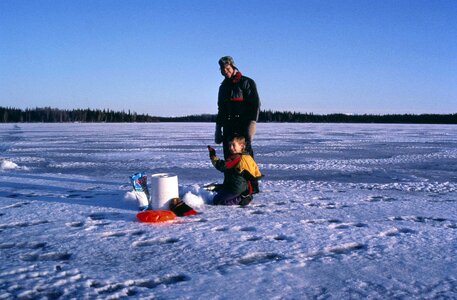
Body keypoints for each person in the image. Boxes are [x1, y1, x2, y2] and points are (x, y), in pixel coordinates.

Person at [215, 56, 261, 159]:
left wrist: (252, 124)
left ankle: (249, 175)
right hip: (228, 127)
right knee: (229, 160)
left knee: (245, 160)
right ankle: (229, 176)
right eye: (223, 70)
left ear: (233, 67)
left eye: (227, 68)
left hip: (242, 127)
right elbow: (221, 109)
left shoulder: (247, 82)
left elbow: (255, 104)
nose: (225, 71)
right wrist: (218, 129)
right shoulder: (223, 87)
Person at [207, 135, 262, 206]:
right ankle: (244, 195)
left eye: (233, 145)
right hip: (245, 186)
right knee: (221, 192)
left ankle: (240, 199)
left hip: (236, 187)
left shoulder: (236, 157)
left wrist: (213, 156)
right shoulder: (247, 156)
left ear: (242, 146)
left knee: (217, 201)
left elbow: (221, 166)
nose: (231, 148)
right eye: (230, 145)